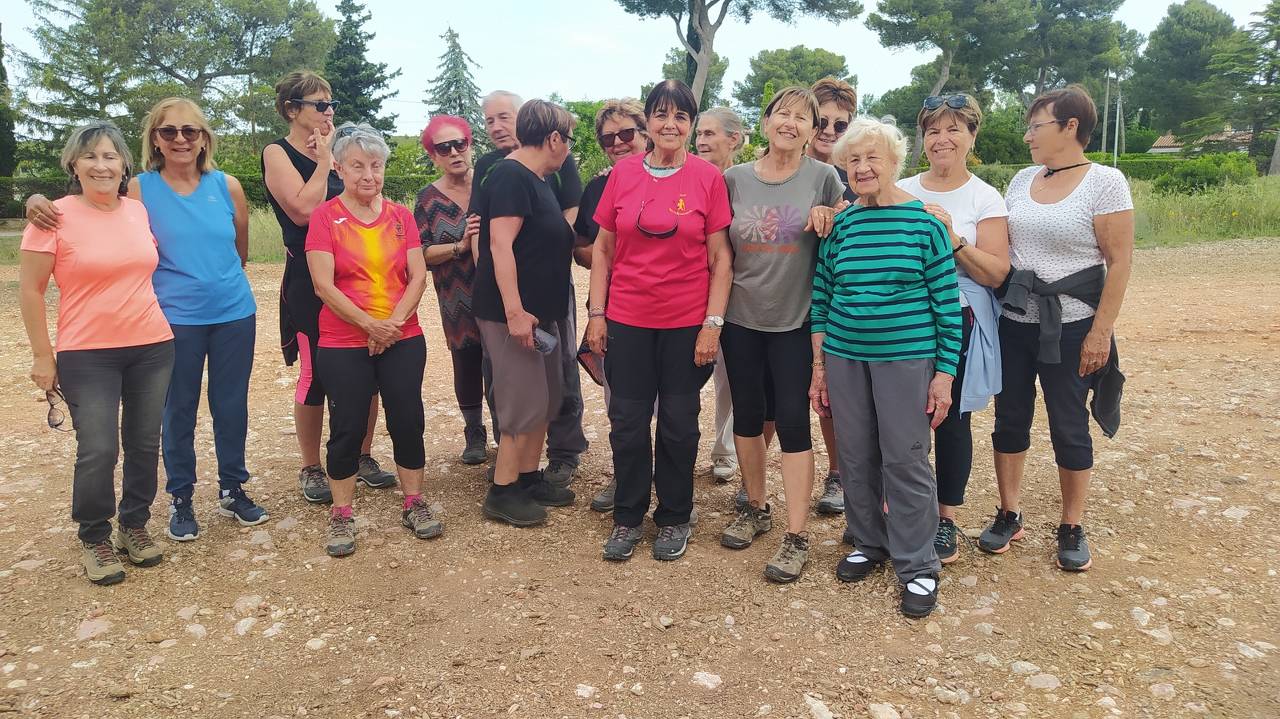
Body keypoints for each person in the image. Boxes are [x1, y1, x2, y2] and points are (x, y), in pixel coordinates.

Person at [24, 99, 267, 542]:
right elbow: (90, 205)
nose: (180, 139)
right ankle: (182, 497)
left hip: (234, 313)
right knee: (178, 410)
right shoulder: (139, 190)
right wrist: (35, 199)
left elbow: (240, 250)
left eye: (190, 131)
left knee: (231, 405)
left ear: (203, 138)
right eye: (169, 131)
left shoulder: (228, 186)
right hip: (173, 321)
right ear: (155, 138)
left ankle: (233, 488)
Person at [808, 117, 961, 617]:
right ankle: (868, 541)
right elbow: (823, 297)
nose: (863, 167)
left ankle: (917, 565)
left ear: (896, 163)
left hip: (906, 357)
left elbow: (945, 301)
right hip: (845, 356)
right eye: (853, 159)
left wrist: (944, 374)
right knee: (855, 455)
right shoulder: (842, 225)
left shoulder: (925, 224)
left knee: (906, 457)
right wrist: (820, 366)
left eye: (873, 157)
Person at [980, 84, 1134, 572]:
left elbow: (1120, 260)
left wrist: (1101, 332)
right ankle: (1009, 511)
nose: (1028, 136)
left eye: (1036, 126)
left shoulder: (1105, 182)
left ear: (1071, 127)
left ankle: (1071, 523)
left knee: (1069, 423)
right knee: (1010, 418)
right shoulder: (1023, 179)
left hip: (1072, 325)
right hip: (1016, 320)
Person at [19, 121, 175, 585]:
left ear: (125, 163)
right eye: (90, 156)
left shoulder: (137, 211)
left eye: (111, 156)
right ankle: (94, 535)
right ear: (73, 165)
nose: (102, 165)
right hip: (86, 352)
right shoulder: (52, 217)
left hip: (151, 344)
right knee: (98, 448)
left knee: (145, 443)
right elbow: (30, 290)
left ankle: (134, 525)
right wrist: (42, 356)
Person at [587, 80, 733, 562]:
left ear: (691, 126)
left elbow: (721, 259)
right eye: (661, 114)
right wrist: (596, 313)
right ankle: (628, 516)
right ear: (647, 121)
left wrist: (712, 323)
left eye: (681, 117)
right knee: (627, 422)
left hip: (686, 325)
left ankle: (674, 516)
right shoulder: (623, 174)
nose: (670, 125)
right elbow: (604, 249)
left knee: (678, 423)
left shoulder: (707, 179)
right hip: (627, 320)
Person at [717, 87, 845, 583]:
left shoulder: (824, 177)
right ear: (766, 121)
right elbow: (717, 248)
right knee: (748, 418)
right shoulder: (734, 179)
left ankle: (796, 535)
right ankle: (754, 506)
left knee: (793, 422)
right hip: (741, 319)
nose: (790, 123)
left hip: (797, 322)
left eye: (802, 118)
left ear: (814, 131)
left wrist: (834, 216)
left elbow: (849, 225)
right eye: (782, 114)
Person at [262, 70, 396, 505]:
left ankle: (362, 455)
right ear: (291, 110)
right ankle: (310, 466)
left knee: (368, 365)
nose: (329, 111)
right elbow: (302, 210)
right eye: (319, 105)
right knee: (315, 374)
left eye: (331, 103)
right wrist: (323, 162)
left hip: (356, 274)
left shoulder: (340, 149)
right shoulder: (277, 153)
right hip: (307, 276)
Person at [305, 123, 437, 557]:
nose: (368, 174)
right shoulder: (325, 217)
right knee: (346, 426)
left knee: (407, 419)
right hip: (344, 341)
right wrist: (370, 325)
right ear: (339, 167)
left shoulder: (401, 216)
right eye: (358, 165)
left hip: (403, 335)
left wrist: (391, 325)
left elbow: (417, 275)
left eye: (376, 166)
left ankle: (414, 501)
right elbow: (324, 286)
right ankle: (342, 513)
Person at [897, 94, 1010, 565]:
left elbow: (996, 272)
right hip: (900, 316)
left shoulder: (984, 197)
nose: (942, 139)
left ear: (972, 136)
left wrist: (954, 239)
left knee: (950, 419)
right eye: (932, 131)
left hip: (956, 317)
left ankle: (946, 519)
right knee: (901, 419)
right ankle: (902, 511)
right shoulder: (899, 188)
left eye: (953, 129)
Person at [470, 90, 587, 490]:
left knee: (544, 401)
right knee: (522, 403)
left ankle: (529, 477)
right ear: (554, 139)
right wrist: (515, 312)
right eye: (568, 139)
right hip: (515, 318)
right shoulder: (510, 175)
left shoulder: (539, 179)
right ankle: (504, 491)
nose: (568, 148)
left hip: (543, 314)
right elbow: (499, 245)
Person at [571, 98, 649, 513]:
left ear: (646, 131)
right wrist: (611, 261)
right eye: (607, 139)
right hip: (613, 305)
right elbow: (582, 245)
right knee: (620, 402)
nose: (617, 144)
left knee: (668, 402)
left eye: (626, 134)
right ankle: (625, 476)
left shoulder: (678, 176)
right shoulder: (598, 187)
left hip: (667, 307)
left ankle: (666, 479)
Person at [415, 115, 488, 466]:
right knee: (466, 359)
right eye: (445, 147)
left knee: (503, 364)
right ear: (434, 156)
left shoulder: (491, 184)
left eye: (461, 143)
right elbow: (422, 253)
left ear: (471, 144)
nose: (455, 152)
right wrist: (461, 245)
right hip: (456, 293)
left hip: (499, 290)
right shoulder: (428, 199)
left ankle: (509, 430)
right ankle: (474, 430)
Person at [805, 76, 860, 517]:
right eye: (821, 120)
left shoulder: (856, 181)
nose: (829, 131)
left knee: (834, 394)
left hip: (833, 305)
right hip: (781, 300)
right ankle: (755, 485)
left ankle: (840, 473)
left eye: (840, 126)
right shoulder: (779, 166)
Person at [690, 107, 744, 489]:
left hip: (738, 296)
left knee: (730, 379)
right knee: (683, 380)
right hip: (691, 293)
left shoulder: (745, 182)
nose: (703, 141)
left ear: (735, 139)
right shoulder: (688, 176)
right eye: (700, 134)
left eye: (710, 133)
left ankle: (724, 451)